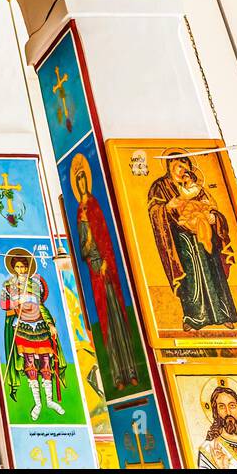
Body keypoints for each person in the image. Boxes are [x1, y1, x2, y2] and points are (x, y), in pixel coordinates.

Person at [146, 153, 237, 331]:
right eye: (178, 166)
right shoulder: (160, 186)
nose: (183, 170)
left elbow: (210, 205)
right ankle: (194, 317)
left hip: (204, 236)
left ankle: (224, 314)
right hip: (181, 238)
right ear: (170, 167)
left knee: (214, 273)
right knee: (191, 275)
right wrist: (168, 206)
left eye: (185, 166)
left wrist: (213, 217)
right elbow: (154, 211)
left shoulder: (197, 187)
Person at [70, 154, 138, 390]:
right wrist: (84, 229)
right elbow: (84, 247)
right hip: (94, 272)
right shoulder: (80, 212)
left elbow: (108, 237)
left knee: (120, 316)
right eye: (77, 182)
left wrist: (107, 261)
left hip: (109, 270)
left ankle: (131, 369)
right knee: (106, 322)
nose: (80, 185)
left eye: (82, 181)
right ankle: (116, 376)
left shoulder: (97, 206)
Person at [0, 249, 66, 420]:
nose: (21, 270)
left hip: (39, 326)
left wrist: (50, 324)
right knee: (29, 363)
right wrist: (16, 302)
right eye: (18, 267)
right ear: (13, 268)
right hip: (23, 326)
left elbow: (41, 306)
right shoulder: (8, 285)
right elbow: (3, 304)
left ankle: (50, 400)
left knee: (46, 361)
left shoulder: (35, 284)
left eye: (23, 267)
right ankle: (37, 403)